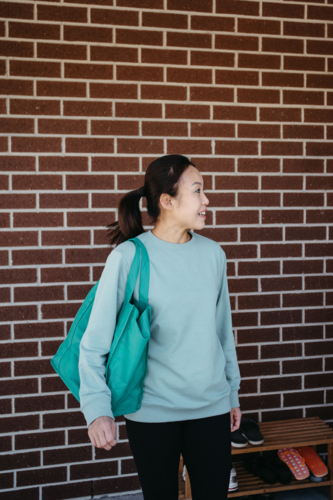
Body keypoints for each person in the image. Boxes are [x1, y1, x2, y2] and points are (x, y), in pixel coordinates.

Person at [78, 154, 242, 500]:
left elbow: (222, 332)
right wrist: (97, 409)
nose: (206, 200)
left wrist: (231, 393)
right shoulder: (128, 258)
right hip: (152, 414)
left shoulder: (214, 255)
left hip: (211, 408)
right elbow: (94, 342)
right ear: (167, 201)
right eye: (197, 191)